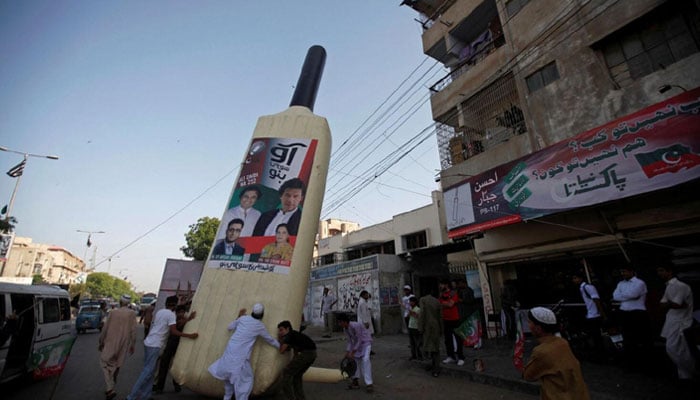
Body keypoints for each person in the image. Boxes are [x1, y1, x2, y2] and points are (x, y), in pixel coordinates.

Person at [126, 296, 199, 400]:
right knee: (147, 372)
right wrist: (189, 335)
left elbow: (175, 324)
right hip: (155, 345)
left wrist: (188, 319)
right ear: (174, 305)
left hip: (149, 342)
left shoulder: (160, 312)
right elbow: (174, 330)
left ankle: (146, 396)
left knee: (151, 372)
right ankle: (131, 396)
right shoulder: (171, 315)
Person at [208, 303, 280, 400]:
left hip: (229, 352)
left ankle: (227, 398)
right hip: (240, 358)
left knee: (228, 378)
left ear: (252, 312)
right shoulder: (260, 326)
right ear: (262, 315)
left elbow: (229, 327)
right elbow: (270, 339)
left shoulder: (243, 319)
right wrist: (280, 346)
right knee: (245, 383)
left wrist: (239, 317)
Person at [523, 307, 590, 400]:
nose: (528, 325)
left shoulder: (541, 351)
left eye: (530, 322)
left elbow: (528, 375)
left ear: (538, 329)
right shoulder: (562, 342)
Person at [657, 265, 696, 380]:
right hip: (672, 320)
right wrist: (670, 304)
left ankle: (691, 371)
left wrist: (669, 304)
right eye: (659, 271)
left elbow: (677, 305)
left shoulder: (680, 286)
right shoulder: (669, 286)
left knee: (676, 348)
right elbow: (662, 304)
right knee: (675, 348)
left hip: (682, 321)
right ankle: (685, 374)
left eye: (662, 270)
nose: (660, 273)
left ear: (669, 271)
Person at [99, 294, 136, 400]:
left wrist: (101, 342)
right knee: (117, 365)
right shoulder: (132, 313)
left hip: (110, 342)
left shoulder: (113, 312)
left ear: (120, 302)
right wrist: (133, 344)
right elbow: (133, 330)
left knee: (104, 363)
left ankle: (109, 388)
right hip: (123, 344)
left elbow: (105, 328)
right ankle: (111, 386)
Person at [612, 266, 651, 368]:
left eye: (624, 271)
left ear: (631, 272)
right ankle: (631, 363)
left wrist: (624, 296)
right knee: (627, 338)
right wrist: (627, 296)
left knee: (641, 338)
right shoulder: (620, 283)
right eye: (621, 271)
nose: (623, 274)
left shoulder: (639, 283)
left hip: (637, 313)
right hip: (624, 312)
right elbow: (615, 296)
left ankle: (645, 363)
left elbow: (634, 294)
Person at [153, 304, 196, 394]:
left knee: (175, 366)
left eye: (182, 312)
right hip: (170, 345)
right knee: (164, 366)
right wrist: (189, 319)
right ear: (176, 313)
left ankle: (175, 385)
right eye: (179, 312)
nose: (181, 314)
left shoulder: (183, 320)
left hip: (177, 346)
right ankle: (159, 387)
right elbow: (177, 326)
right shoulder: (174, 319)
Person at [277, 320, 317, 400]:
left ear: (287, 328)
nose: (280, 332)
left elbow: (281, 351)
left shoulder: (289, 336)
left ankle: (290, 397)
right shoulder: (294, 334)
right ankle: (300, 398)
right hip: (313, 353)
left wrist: (280, 339)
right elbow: (295, 350)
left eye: (281, 330)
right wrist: (295, 360)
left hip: (307, 353)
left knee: (286, 373)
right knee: (297, 376)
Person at [336, 313, 374, 393]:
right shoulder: (345, 329)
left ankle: (369, 384)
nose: (339, 324)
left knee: (365, 361)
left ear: (344, 321)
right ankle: (355, 381)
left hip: (365, 343)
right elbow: (350, 341)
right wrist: (348, 352)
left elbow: (360, 339)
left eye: (340, 322)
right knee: (353, 362)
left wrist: (353, 351)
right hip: (357, 345)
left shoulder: (355, 326)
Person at [571, 271, 606, 357]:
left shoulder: (588, 287)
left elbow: (596, 300)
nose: (574, 280)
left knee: (597, 336)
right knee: (594, 336)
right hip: (590, 314)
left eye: (575, 278)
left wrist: (602, 314)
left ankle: (601, 353)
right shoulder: (582, 288)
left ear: (580, 278)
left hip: (595, 315)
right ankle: (598, 352)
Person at [439, 279, 465, 366]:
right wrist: (445, 303)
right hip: (446, 319)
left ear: (446, 285)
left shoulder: (453, 293)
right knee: (448, 339)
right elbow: (445, 304)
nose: (440, 286)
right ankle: (451, 356)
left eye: (441, 284)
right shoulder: (442, 295)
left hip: (455, 319)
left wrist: (442, 303)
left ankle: (461, 357)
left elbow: (450, 304)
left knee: (458, 338)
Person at [419, 288, 443, 377]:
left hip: (427, 327)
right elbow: (440, 316)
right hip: (436, 326)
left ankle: (435, 368)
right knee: (435, 347)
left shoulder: (423, 300)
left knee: (428, 347)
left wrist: (420, 327)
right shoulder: (437, 301)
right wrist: (441, 328)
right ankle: (435, 366)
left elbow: (422, 313)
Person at [407, 296, 423, 361]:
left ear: (414, 302)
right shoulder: (411, 308)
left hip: (416, 327)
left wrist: (412, 312)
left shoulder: (418, 309)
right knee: (412, 342)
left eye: (411, 302)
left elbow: (418, 317)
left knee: (417, 342)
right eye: (410, 301)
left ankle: (420, 355)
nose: (410, 303)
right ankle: (413, 355)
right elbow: (408, 316)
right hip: (410, 326)